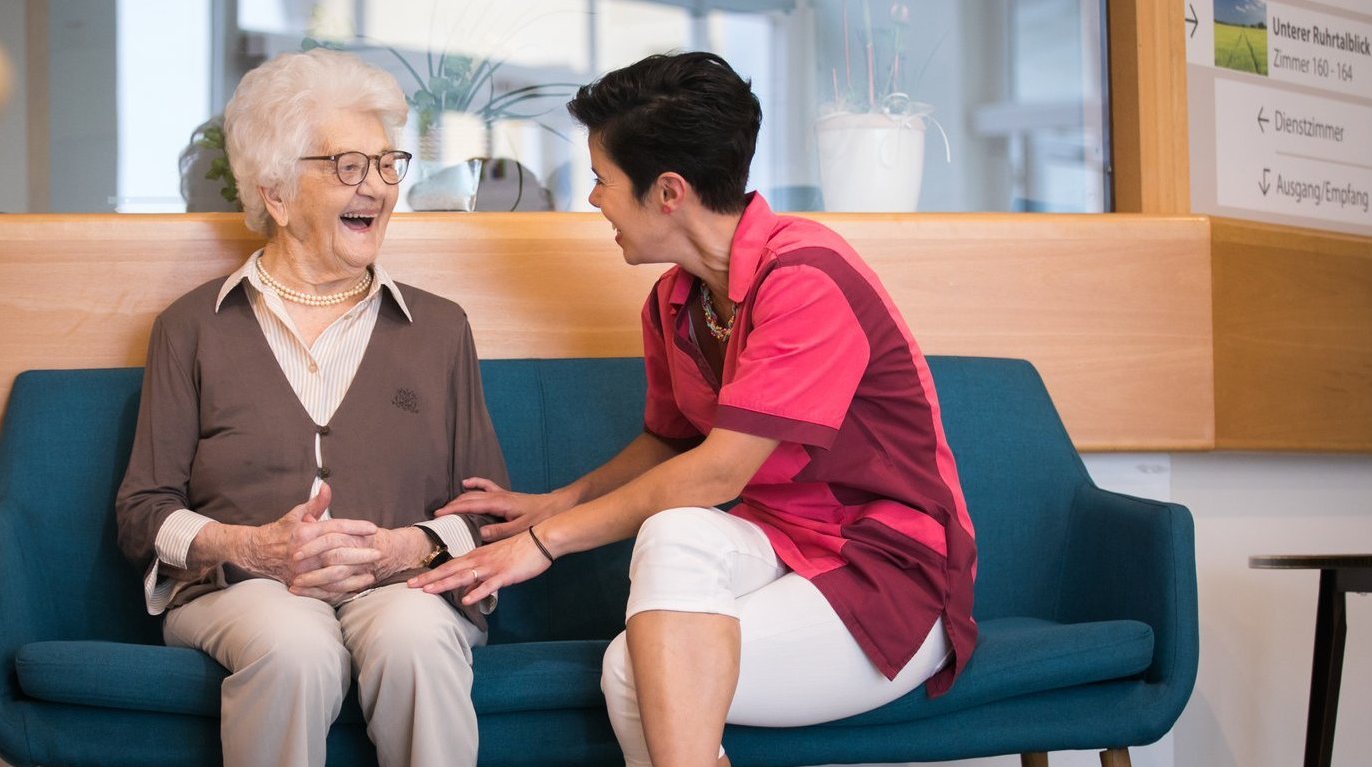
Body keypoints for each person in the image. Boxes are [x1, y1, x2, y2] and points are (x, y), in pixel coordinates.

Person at [410, 52, 979, 767]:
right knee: (675, 534)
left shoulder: (806, 280)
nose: (592, 199)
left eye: (602, 180)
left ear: (669, 191)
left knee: (631, 673)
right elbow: (668, 442)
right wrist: (560, 501)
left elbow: (716, 473)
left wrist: (548, 541)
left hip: (883, 574)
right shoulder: (677, 300)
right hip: (779, 548)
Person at [113, 48, 506, 767]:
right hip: (245, 589)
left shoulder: (442, 328)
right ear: (276, 193)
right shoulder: (191, 327)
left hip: (402, 584)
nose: (379, 188)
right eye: (349, 166)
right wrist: (248, 546)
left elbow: (487, 509)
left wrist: (407, 545)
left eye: (389, 164)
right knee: (294, 646)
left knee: (415, 641)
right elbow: (143, 509)